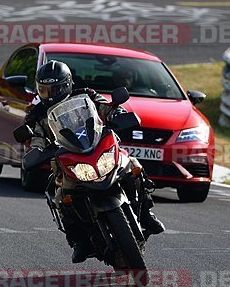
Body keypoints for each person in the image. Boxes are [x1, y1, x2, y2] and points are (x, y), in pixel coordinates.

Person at [25, 60, 165, 263]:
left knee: (133, 165)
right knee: (60, 198)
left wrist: (117, 113)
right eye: (44, 89)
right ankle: (78, 241)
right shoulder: (37, 114)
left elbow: (105, 107)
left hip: (99, 147)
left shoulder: (86, 94)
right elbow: (35, 137)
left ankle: (145, 214)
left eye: (54, 88)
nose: (49, 94)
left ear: (66, 84)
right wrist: (37, 150)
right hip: (66, 161)